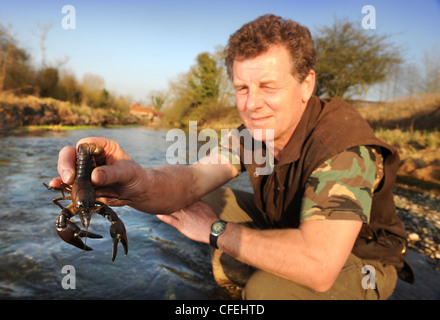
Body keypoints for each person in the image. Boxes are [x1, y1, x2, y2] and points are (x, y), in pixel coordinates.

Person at [49, 14, 413, 299]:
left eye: (268, 86)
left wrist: (215, 231)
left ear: (306, 84)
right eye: (242, 87)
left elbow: (319, 265)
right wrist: (136, 181)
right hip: (291, 222)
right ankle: (255, 258)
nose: (252, 104)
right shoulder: (255, 137)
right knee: (199, 197)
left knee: (265, 292)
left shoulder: (344, 147)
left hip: (362, 259)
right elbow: (191, 180)